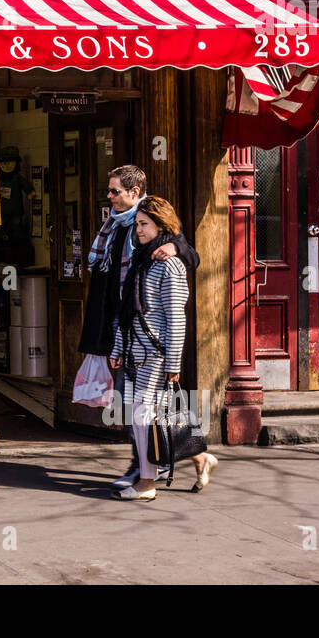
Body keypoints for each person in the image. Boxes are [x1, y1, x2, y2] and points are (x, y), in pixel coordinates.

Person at [77, 165, 198, 490]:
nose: (109, 195)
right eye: (110, 189)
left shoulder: (155, 234)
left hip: (149, 339)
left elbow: (187, 258)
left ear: (134, 191)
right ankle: (191, 457)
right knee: (134, 406)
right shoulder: (117, 226)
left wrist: (176, 247)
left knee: (141, 409)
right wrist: (116, 343)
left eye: (115, 190)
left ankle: (144, 472)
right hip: (124, 328)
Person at [109, 196, 218, 500]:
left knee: (144, 417)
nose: (138, 230)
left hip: (154, 352)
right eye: (138, 224)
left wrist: (173, 361)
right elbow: (127, 310)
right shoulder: (141, 259)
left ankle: (147, 483)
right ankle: (187, 462)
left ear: (161, 225)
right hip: (135, 349)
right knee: (143, 417)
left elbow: (176, 316)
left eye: (144, 224)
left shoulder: (169, 264)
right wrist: (118, 347)